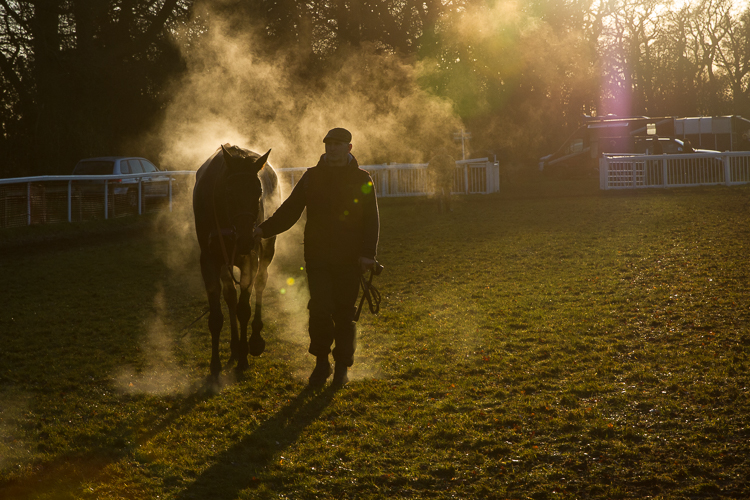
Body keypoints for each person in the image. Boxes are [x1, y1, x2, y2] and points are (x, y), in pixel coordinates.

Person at [253, 128, 380, 387]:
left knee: (344, 313)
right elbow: (290, 211)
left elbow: (372, 220)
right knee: (320, 310)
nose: (331, 148)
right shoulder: (311, 178)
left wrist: (368, 254)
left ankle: (342, 365)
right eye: (328, 144)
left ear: (349, 147)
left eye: (337, 144)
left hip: (349, 258)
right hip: (318, 256)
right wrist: (262, 230)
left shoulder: (362, 179)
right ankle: (322, 363)